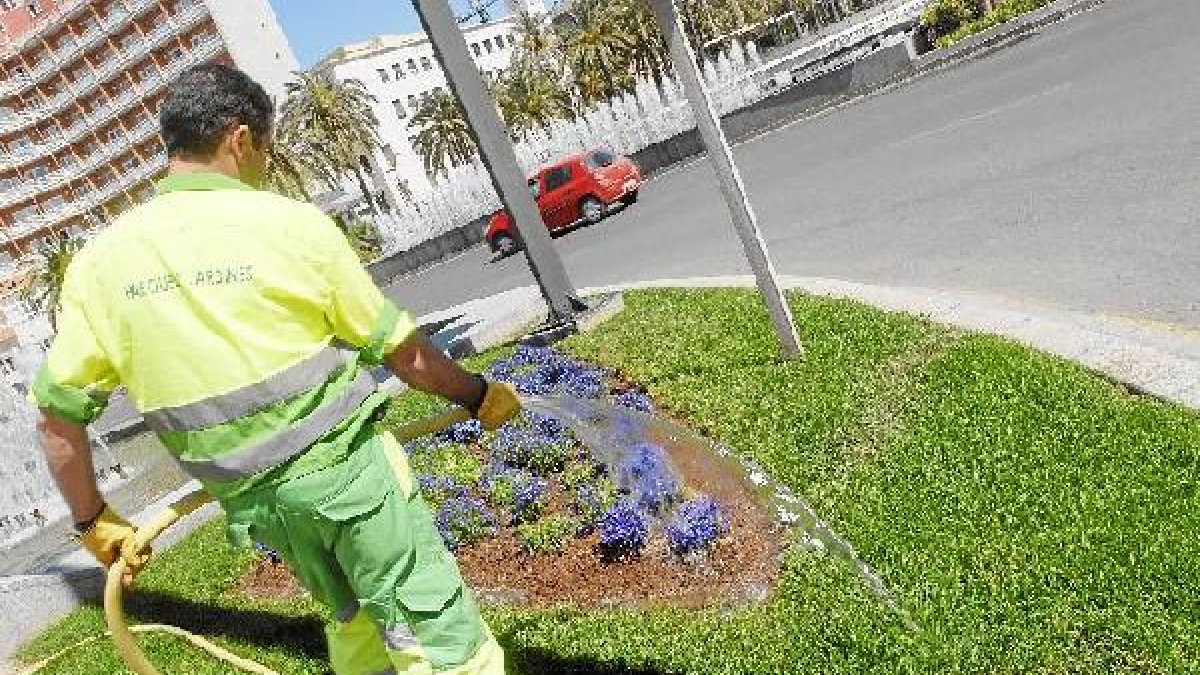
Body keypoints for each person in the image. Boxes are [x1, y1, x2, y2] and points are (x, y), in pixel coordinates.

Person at [33, 64, 519, 675]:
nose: (265, 163)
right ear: (241, 140)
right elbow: (406, 354)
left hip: (262, 508)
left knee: (355, 622)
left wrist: (92, 521)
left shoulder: (99, 266)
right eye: (265, 147)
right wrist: (477, 395)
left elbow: (56, 420)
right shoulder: (286, 225)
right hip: (351, 481)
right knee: (437, 634)